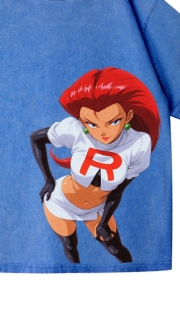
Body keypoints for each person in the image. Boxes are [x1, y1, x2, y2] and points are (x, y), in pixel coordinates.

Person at [30, 67, 160, 263]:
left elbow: (117, 191)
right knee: (70, 249)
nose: (103, 132)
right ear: (83, 120)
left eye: (113, 121)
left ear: (128, 116)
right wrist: (48, 180)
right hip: (61, 201)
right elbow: (36, 139)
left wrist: (104, 221)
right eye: (92, 124)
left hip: (98, 208)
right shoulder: (74, 130)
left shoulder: (137, 144)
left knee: (117, 250)